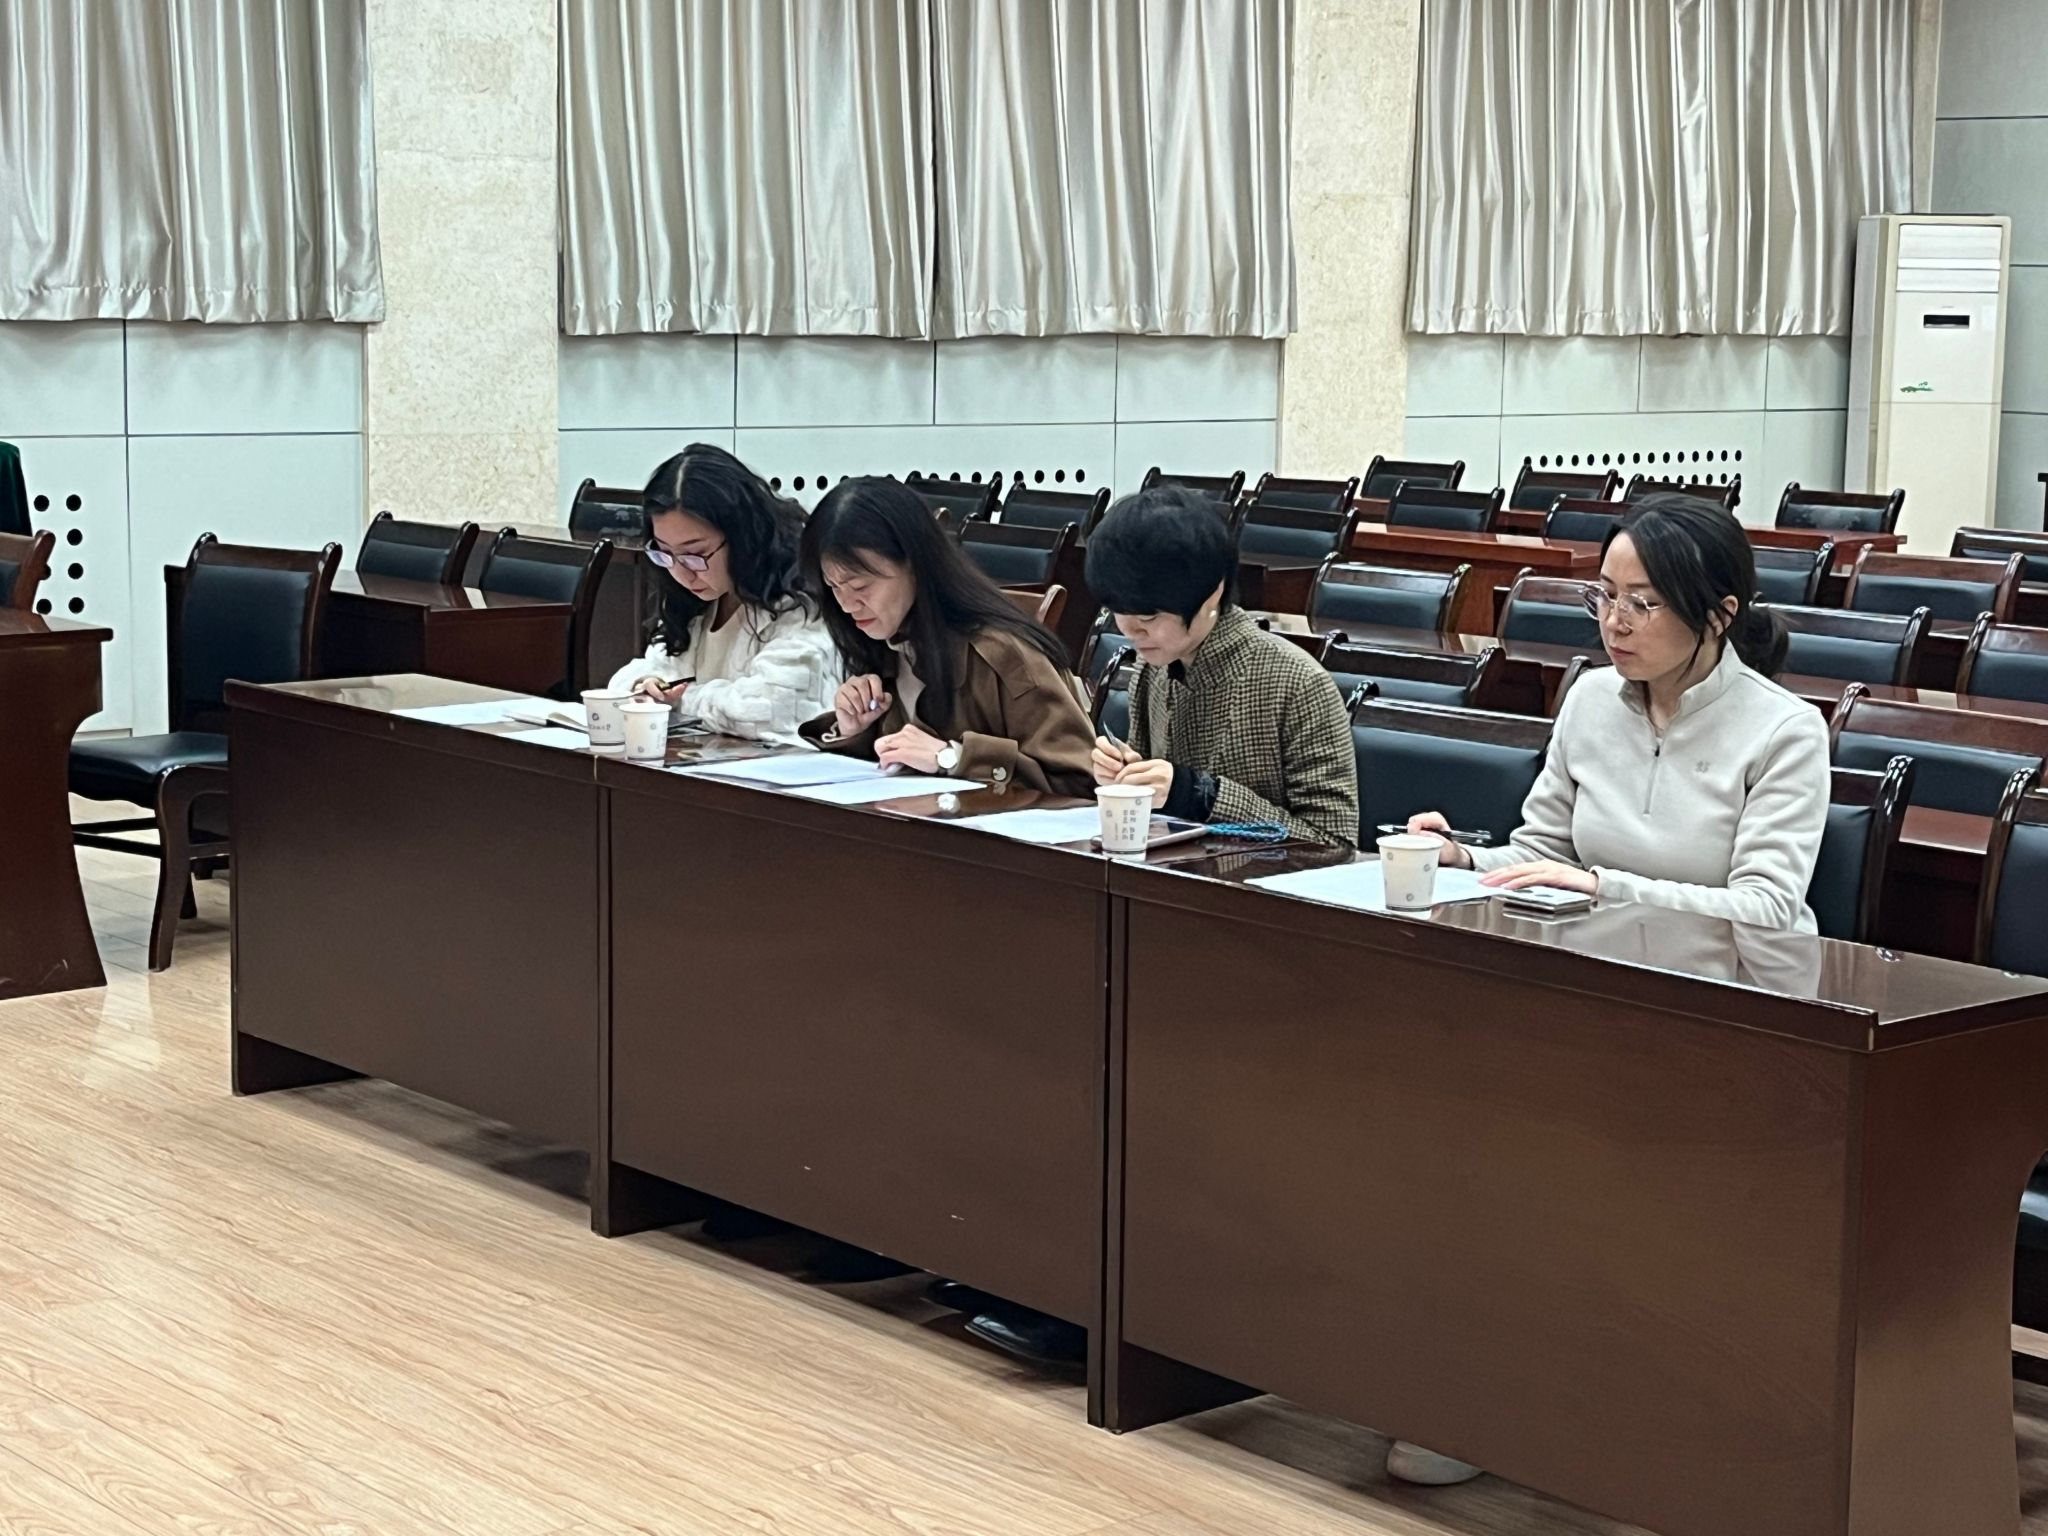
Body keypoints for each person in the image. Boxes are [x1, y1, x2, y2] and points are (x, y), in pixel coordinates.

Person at [1389, 492, 1832, 1489]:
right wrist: (1465, 857)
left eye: (1642, 603)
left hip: (1727, 1021)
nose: (1614, 623)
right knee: (1438, 1127)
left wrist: (1603, 887)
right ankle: (1479, 1401)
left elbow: (1767, 911)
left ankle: (1619, 1419)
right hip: (1587, 997)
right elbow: (1540, 848)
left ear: (1717, 613)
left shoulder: (1783, 731)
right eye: (1603, 597)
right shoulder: (1591, 699)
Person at [1083, 486, 1359, 848]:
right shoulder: (1153, 669)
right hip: (1171, 871)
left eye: (1148, 616)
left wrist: (1199, 794)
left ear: (1211, 593)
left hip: (1261, 881)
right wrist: (1127, 776)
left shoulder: (1298, 683)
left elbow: (1335, 844)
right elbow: (1157, 800)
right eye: (1118, 611)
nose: (1130, 631)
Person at [798, 477, 1096, 795]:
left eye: (860, 586)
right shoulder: (880, 641)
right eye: (834, 587)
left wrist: (953, 757)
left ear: (916, 564)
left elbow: (1079, 779)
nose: (846, 605)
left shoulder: (1003, 653)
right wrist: (854, 731)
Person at [606, 444, 840, 748]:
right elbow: (643, 672)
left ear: (743, 536)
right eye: (664, 553)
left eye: (695, 554)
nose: (681, 572)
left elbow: (768, 708)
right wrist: (644, 686)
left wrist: (678, 699)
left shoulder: (800, 597)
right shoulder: (697, 598)